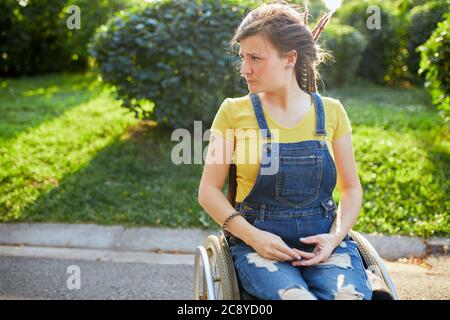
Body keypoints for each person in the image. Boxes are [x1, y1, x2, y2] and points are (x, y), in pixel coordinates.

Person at [198, 1, 373, 300]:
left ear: (289, 58)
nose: (245, 69)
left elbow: (352, 189)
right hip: (257, 246)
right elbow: (208, 192)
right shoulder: (232, 112)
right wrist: (255, 237)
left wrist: (333, 238)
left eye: (255, 58)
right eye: (243, 58)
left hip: (324, 244)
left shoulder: (331, 113)